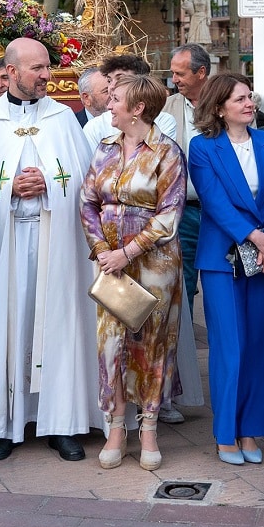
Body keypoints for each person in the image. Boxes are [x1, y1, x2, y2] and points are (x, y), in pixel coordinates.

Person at [0, 37, 98, 462]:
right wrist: (9, 190)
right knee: (7, 325)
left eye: (48, 67)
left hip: (58, 244)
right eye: (37, 69)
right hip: (7, 245)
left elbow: (87, 183)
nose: (46, 76)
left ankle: (62, 422)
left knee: (57, 323)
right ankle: (1, 424)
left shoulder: (63, 120)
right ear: (10, 73)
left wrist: (51, 186)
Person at [80, 75, 186, 471]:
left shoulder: (167, 152)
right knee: (111, 345)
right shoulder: (104, 149)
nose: (110, 104)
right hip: (110, 262)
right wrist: (104, 251)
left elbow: (169, 217)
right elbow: (87, 202)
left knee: (153, 344)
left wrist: (128, 252)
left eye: (116, 99)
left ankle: (150, 429)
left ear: (137, 108)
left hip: (155, 264)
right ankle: (116, 428)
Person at [189, 72, 264, 465]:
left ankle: (251, 430)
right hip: (222, 261)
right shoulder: (202, 147)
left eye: (251, 97)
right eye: (241, 100)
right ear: (218, 108)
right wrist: (254, 236)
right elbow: (213, 202)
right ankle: (226, 432)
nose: (250, 104)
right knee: (231, 347)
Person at [161, 44, 212, 422]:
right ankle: (176, 388)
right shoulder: (167, 108)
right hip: (187, 215)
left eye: (180, 73)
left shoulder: (229, 101)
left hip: (226, 216)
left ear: (202, 72)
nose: (174, 79)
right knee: (183, 295)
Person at [83, 55, 177, 148]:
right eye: (109, 80)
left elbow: (162, 156)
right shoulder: (94, 126)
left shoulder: (164, 121)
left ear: (141, 82)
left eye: (120, 79)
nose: (111, 86)